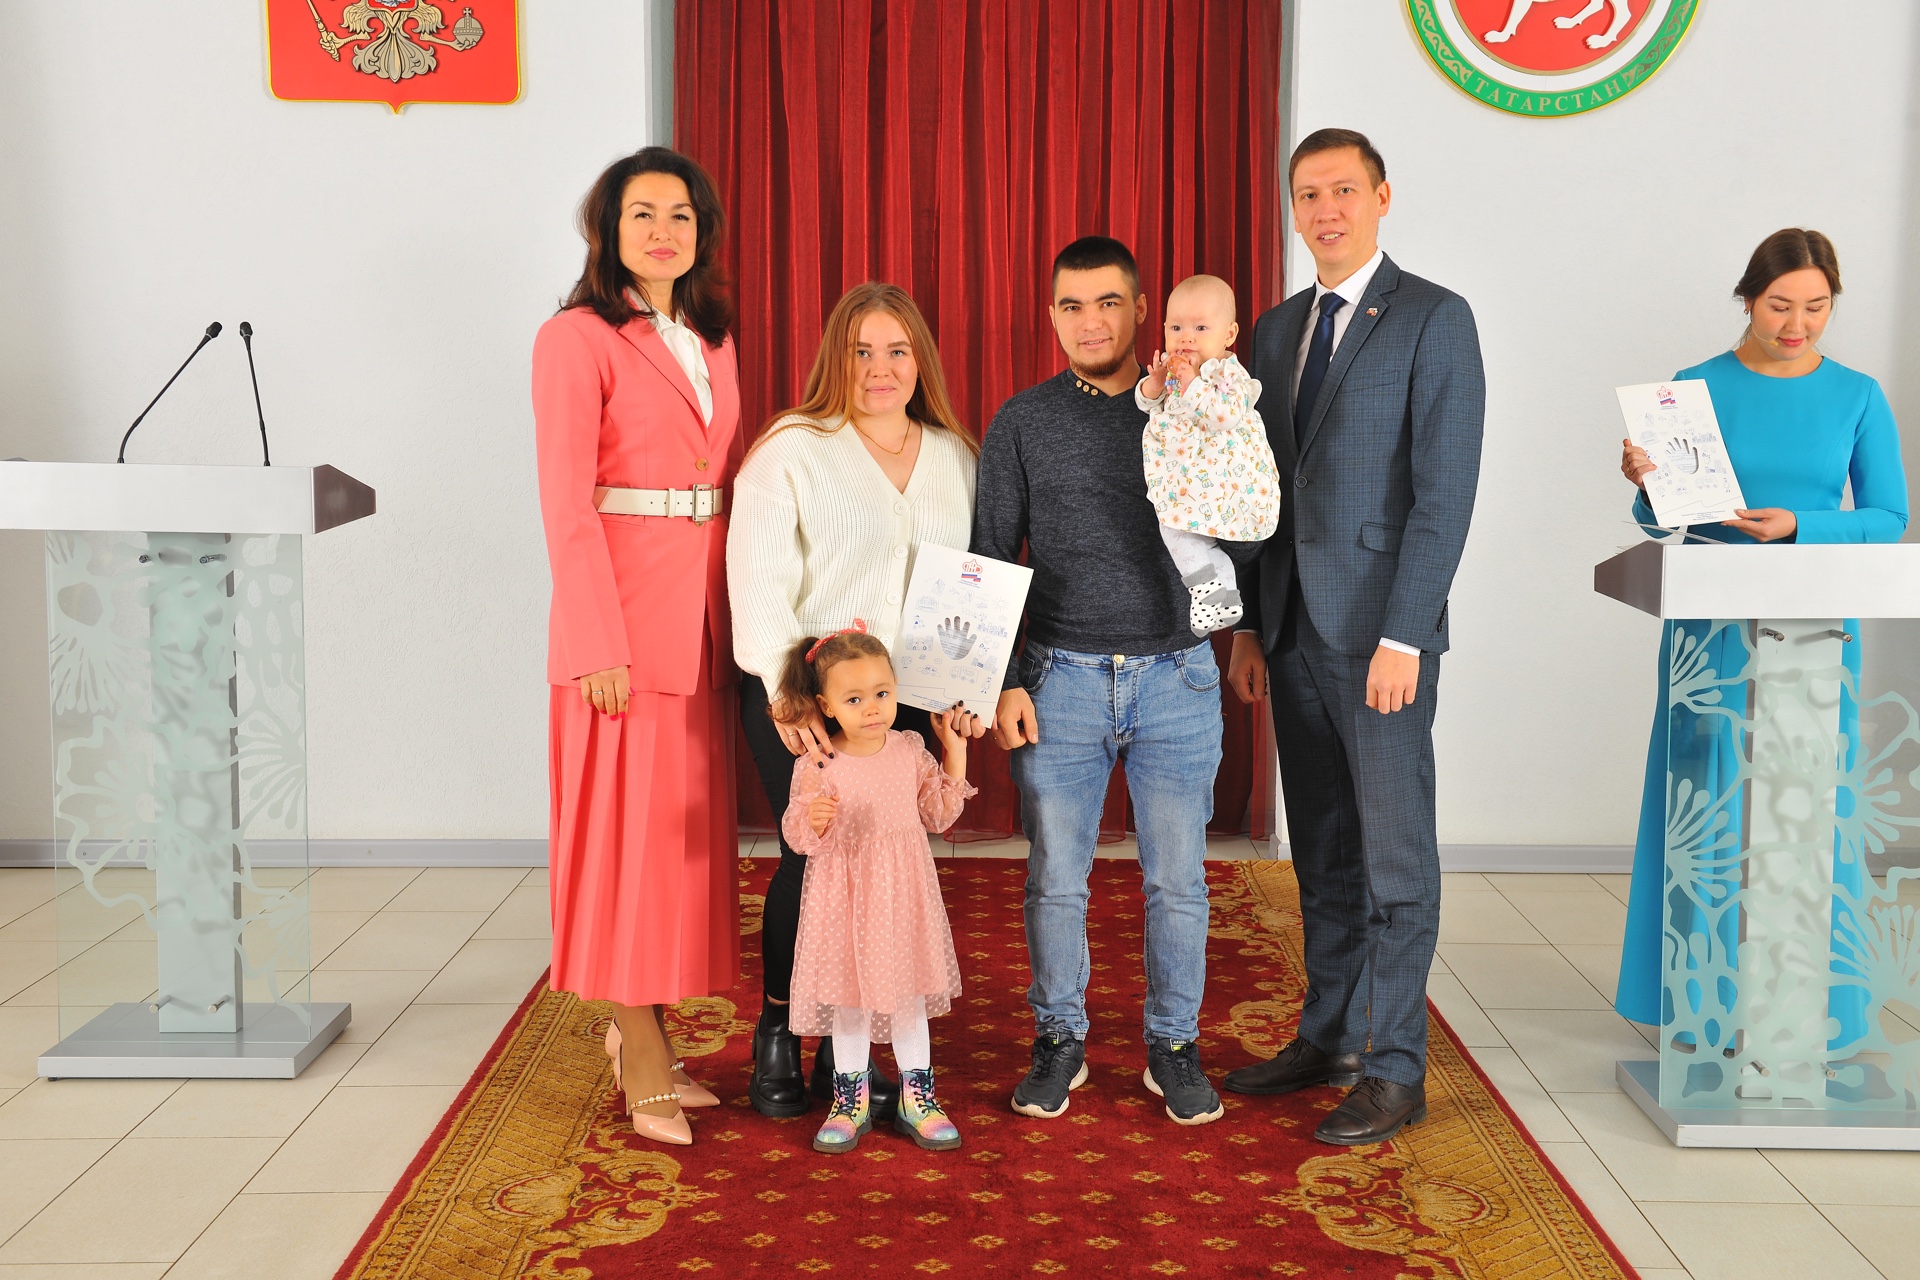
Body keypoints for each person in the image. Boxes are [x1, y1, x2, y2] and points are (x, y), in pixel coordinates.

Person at [1223, 129, 1484, 1146]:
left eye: (1343, 190)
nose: (1325, 210)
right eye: (1308, 194)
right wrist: (1251, 624)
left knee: (1394, 862)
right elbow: (1255, 493)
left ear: (1381, 197)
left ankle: (1394, 1067)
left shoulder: (1433, 318)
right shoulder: (1276, 330)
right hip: (1291, 629)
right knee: (1323, 851)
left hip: (1382, 641)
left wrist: (1406, 635)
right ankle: (1327, 1036)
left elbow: (1443, 494)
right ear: (1294, 210)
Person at [975, 236, 1250, 1127]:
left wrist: (1241, 631)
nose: (1090, 322)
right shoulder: (1023, 422)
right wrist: (1004, 680)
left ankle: (1174, 1045)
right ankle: (1060, 1037)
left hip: (1179, 676)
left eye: (1107, 303)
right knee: (1056, 878)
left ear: (1140, 310)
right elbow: (991, 555)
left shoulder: (1198, 405)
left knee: (1179, 883)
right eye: (1071, 306)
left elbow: (1245, 524)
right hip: (1060, 678)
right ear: (1051, 317)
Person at [1612, 228, 1909, 1035]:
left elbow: (1888, 516)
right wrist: (1645, 484)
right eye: (1780, 305)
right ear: (1748, 299)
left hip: (1815, 625)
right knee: (1705, 802)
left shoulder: (1857, 395)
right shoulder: (1695, 388)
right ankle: (1697, 996)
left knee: (1806, 803)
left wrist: (1801, 525)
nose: (1797, 324)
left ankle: (1811, 1003)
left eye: (1816, 307)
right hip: (1711, 624)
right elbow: (1665, 520)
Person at [727, 283, 979, 1119]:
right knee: (816, 855)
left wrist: (968, 691)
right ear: (836, 358)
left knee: (888, 867)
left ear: (920, 361)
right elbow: (758, 582)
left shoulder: (955, 456)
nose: (880, 368)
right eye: (861, 351)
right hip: (809, 695)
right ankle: (778, 1031)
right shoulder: (792, 450)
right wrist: (788, 694)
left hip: (905, 696)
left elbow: (970, 585)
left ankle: (863, 1045)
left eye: (897, 351)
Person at [532, 146, 742, 1147]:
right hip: (617, 630)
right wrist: (594, 640)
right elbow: (566, 502)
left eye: (681, 215)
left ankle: (643, 1024)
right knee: (620, 845)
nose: (663, 231)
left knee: (669, 848)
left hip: (699, 625)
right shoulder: (574, 338)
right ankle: (641, 1048)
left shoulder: (711, 339)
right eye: (642, 214)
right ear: (607, 230)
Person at [774, 626, 982, 1153]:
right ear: (826, 706)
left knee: (909, 997)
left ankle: (918, 1098)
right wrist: (813, 820)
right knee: (851, 1002)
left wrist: (954, 751)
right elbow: (798, 834)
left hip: (903, 899)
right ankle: (850, 1102)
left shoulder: (909, 748)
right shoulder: (819, 762)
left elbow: (939, 814)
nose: (872, 708)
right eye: (854, 699)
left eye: (882, 693)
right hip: (844, 904)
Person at [1136, 273, 1281, 635]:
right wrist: (1153, 384)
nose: (1186, 338)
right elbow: (1147, 404)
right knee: (1198, 537)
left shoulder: (1228, 374)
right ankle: (1227, 596)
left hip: (1222, 479)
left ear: (1229, 335)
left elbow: (1224, 415)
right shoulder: (1175, 369)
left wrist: (1192, 384)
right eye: (1176, 328)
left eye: (1200, 328)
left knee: (1174, 529)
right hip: (1189, 477)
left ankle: (1203, 590)